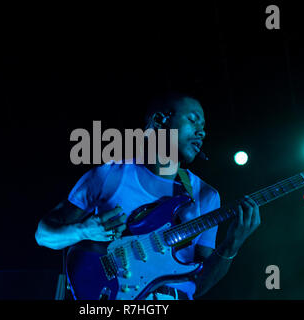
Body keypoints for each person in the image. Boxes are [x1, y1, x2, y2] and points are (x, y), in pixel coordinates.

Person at [35, 93, 261, 300]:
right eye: (193, 120)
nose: (202, 132)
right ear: (160, 120)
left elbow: (199, 285)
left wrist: (232, 245)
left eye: (204, 126)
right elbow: (43, 236)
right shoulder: (110, 175)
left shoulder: (206, 195)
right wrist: (84, 230)